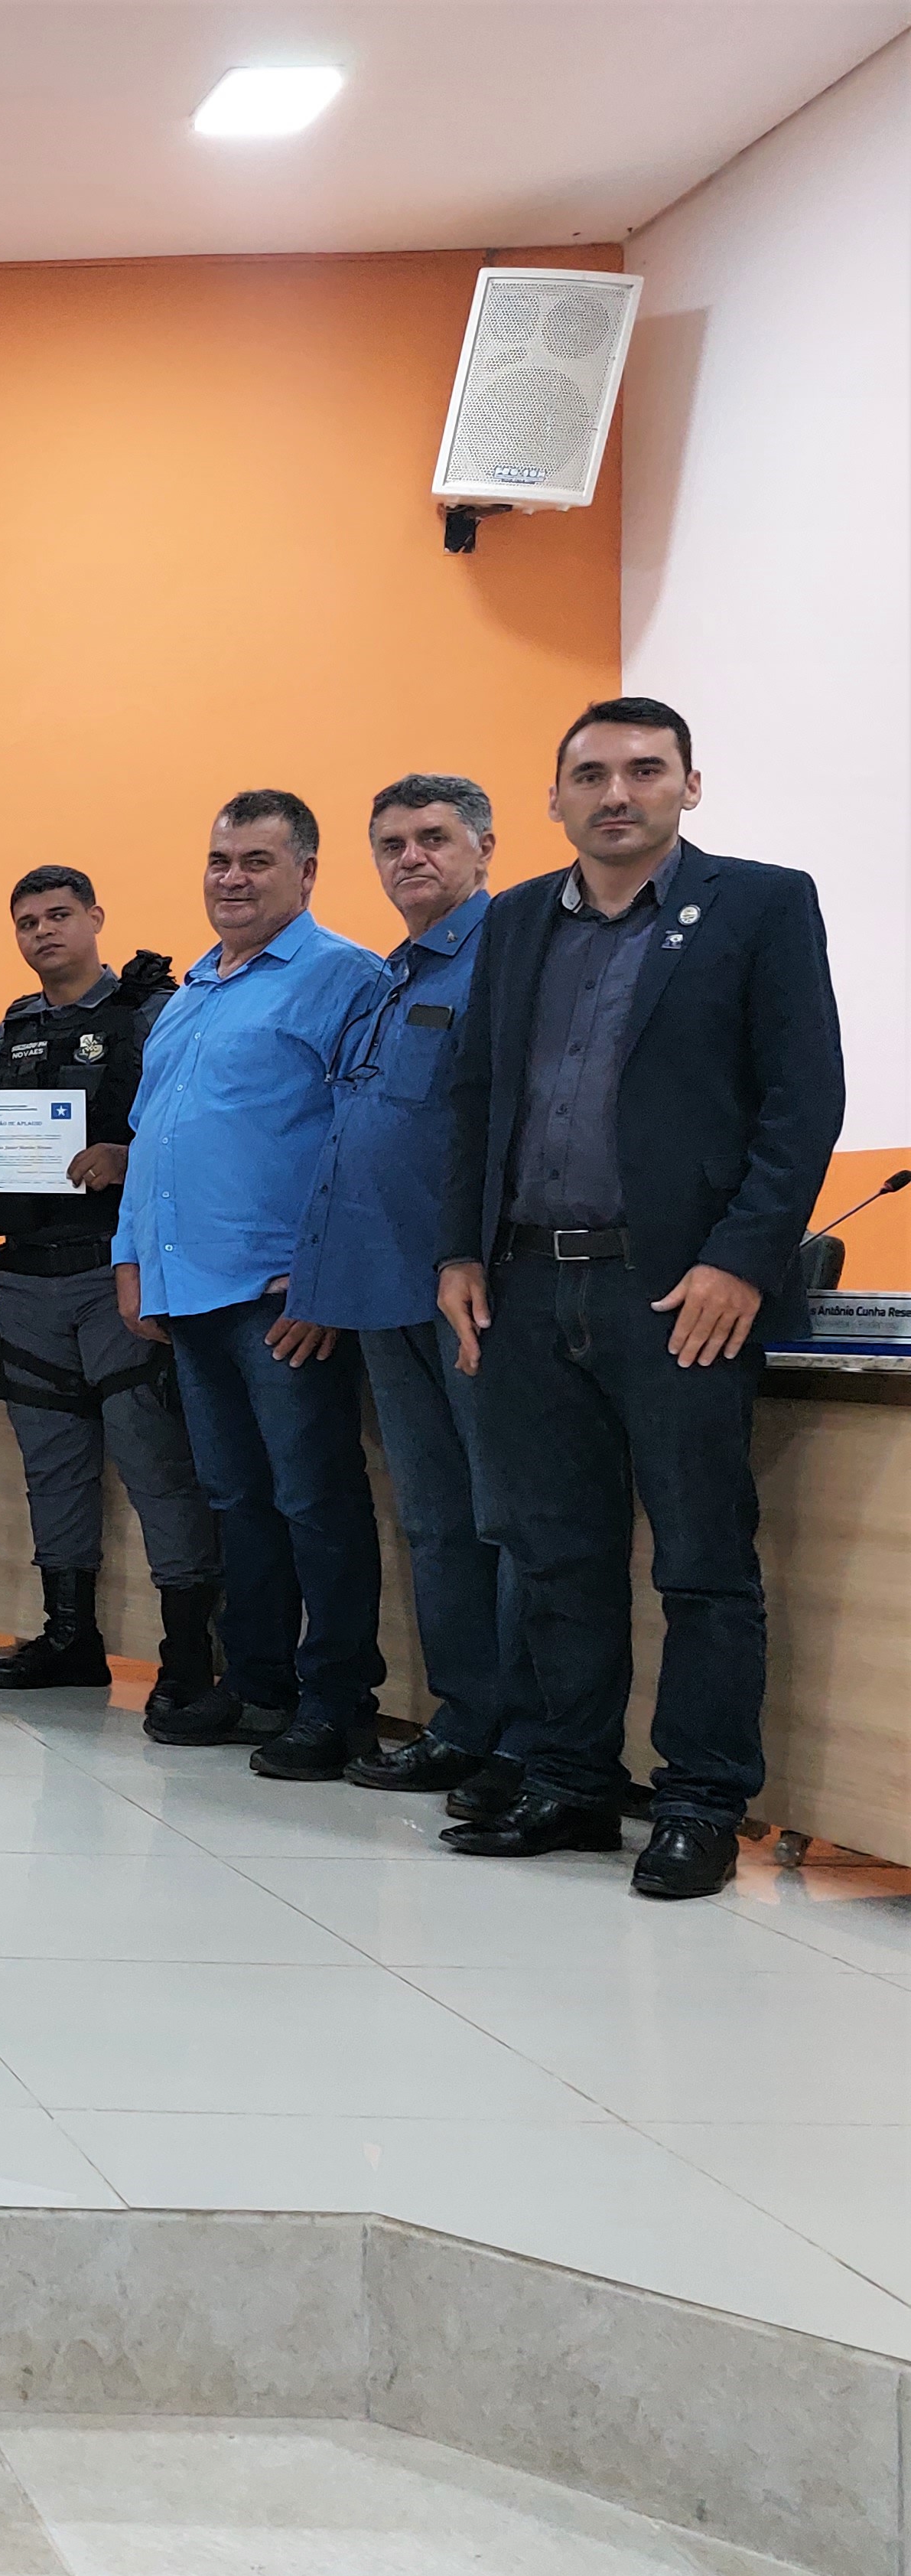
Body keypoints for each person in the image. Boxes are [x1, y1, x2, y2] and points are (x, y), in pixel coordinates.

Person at [435, 698, 845, 1899]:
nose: (617, 793)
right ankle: (570, 1783)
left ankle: (701, 1802)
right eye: (591, 774)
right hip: (524, 1282)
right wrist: (459, 1252)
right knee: (555, 1554)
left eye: (645, 770)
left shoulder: (761, 905)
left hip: (678, 1292)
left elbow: (803, 1099)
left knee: (703, 1560)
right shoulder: (515, 921)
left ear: (689, 786)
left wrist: (743, 1259)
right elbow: (474, 1097)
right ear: (555, 798)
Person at [115, 791, 394, 1777]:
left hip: (281, 1297)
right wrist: (130, 1258)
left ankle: (336, 1702)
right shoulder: (189, 993)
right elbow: (151, 1139)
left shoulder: (347, 978)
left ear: (306, 874)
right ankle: (259, 1684)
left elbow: (365, 1140)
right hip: (187, 1292)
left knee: (314, 1499)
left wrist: (325, 1275)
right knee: (238, 1501)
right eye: (219, 860)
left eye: (257, 862)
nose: (231, 879)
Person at [0, 866, 229, 1733]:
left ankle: (187, 1655)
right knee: (51, 1467)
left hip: (114, 1275)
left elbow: (195, 1128)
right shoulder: (10, 1033)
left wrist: (128, 1157)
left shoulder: (151, 1015)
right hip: (25, 1279)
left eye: (59, 915)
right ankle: (68, 1636)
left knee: (156, 1463)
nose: (43, 932)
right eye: (27, 922)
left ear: (96, 918)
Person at [287, 778, 537, 1811]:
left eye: (433, 838)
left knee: (508, 1519)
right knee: (435, 1522)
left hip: (475, 1290)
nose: (410, 859)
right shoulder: (392, 976)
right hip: (381, 1284)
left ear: (485, 846)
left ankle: (527, 1743)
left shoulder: (513, 958)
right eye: (391, 844)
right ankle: (464, 1721)